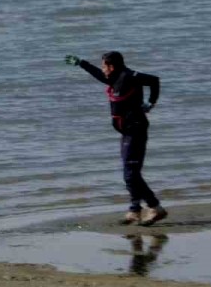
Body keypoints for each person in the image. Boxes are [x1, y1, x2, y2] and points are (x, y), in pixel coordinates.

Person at [65, 51, 167, 226]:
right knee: (130, 173)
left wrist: (151, 103)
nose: (102, 68)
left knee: (130, 174)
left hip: (135, 129)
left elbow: (154, 80)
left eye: (104, 65)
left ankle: (154, 207)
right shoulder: (113, 77)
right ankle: (135, 210)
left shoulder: (129, 76)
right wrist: (82, 63)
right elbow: (98, 74)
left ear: (111, 66)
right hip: (126, 132)